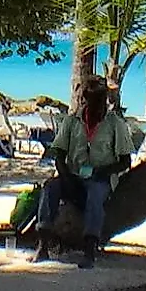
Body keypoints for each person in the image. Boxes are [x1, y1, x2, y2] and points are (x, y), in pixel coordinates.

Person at [40, 75, 137, 267]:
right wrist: (65, 175)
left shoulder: (115, 124)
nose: (99, 108)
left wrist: (104, 172)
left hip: (100, 178)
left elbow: (125, 161)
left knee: (95, 196)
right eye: (94, 102)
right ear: (85, 100)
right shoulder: (71, 122)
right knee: (50, 188)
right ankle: (42, 244)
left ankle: (90, 250)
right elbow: (58, 153)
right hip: (73, 175)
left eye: (102, 102)